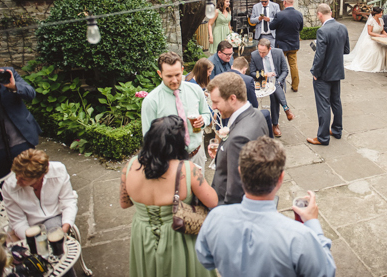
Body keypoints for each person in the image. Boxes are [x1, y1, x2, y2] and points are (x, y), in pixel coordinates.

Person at [196, 136, 336, 277]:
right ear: (280, 178)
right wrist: (313, 224)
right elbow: (326, 271)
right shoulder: (298, 237)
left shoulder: (216, 218)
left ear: (240, 172)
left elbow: (205, 259)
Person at [120, 115, 218, 277]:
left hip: (143, 234)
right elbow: (213, 200)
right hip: (177, 235)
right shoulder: (188, 170)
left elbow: (124, 203)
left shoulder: (129, 167)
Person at [206, 73, 269, 205]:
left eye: (216, 102)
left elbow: (235, 192)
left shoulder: (238, 140)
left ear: (232, 99)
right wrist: (223, 151)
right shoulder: (257, 115)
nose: (213, 107)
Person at [141, 51, 211, 168]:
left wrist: (203, 120)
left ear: (182, 70)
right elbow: (149, 138)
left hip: (197, 154)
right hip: (170, 161)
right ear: (160, 73)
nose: (174, 80)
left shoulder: (196, 90)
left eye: (177, 75)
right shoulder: (151, 101)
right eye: (169, 76)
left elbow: (206, 114)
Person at [0, 53, 41, 179]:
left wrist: (13, 86)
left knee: (32, 179)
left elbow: (31, 93)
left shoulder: (7, 73)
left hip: (22, 139)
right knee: (3, 187)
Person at [2, 149, 77, 240]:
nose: (17, 181)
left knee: (52, 227)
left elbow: (68, 201)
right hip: (27, 228)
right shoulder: (9, 186)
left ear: (40, 176)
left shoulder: (58, 171)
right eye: (16, 175)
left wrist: (65, 228)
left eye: (23, 179)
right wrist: (34, 240)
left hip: (54, 219)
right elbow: (18, 222)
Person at [307, 4, 349, 146]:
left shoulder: (322, 31)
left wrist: (315, 73)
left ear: (319, 14)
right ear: (330, 12)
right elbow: (346, 50)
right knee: (336, 101)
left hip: (324, 74)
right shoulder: (343, 27)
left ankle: (323, 137)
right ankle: (337, 130)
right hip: (337, 72)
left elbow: (319, 57)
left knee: (323, 105)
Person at [249, 39, 294, 138]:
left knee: (274, 93)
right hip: (263, 81)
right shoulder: (254, 55)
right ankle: (286, 109)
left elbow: (285, 70)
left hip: (276, 80)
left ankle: (275, 124)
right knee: (275, 90)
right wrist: (264, 74)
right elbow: (252, 72)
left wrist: (278, 80)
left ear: (269, 49)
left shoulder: (278, 53)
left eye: (263, 52)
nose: (261, 54)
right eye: (259, 51)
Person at [229, 57, 273, 138]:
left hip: (227, 115)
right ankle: (270, 142)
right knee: (266, 113)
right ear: (244, 70)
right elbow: (254, 105)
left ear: (232, 67)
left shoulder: (222, 76)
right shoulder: (247, 80)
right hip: (243, 118)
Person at [270, 0, 304, 92]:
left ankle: (279, 84)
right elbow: (300, 28)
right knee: (293, 65)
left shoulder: (280, 15)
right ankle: (295, 86)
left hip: (281, 45)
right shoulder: (299, 14)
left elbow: (271, 26)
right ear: (293, 2)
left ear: (284, 2)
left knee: (280, 65)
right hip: (294, 44)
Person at [344, 5, 387, 73]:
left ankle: (382, 65)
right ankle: (372, 65)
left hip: (379, 38)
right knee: (376, 49)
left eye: (381, 13)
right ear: (375, 14)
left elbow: (382, 30)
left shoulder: (381, 20)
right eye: (380, 13)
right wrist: (379, 36)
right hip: (371, 39)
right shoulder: (371, 21)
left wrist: (386, 35)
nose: (381, 14)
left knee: (384, 47)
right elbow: (369, 32)